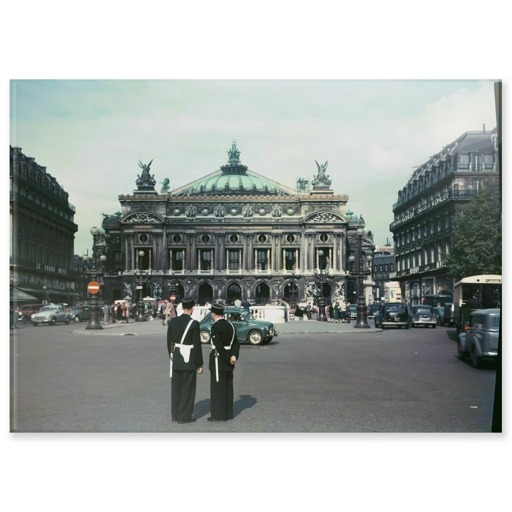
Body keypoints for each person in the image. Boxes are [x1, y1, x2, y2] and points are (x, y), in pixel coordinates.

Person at [167, 297, 203, 424]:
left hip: (176, 358)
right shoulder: (194, 324)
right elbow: (197, 345)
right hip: (189, 360)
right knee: (188, 389)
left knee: (176, 388)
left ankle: (175, 414)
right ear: (192, 308)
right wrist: (199, 363)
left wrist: (172, 357)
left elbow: (169, 342)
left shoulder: (173, 322)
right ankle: (185, 416)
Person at [208, 302, 240, 422]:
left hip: (219, 360)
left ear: (214, 314)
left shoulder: (215, 326)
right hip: (229, 359)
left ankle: (218, 415)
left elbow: (218, 345)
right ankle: (228, 413)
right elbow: (236, 343)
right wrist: (233, 356)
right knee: (228, 387)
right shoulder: (230, 325)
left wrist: (227, 357)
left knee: (217, 389)